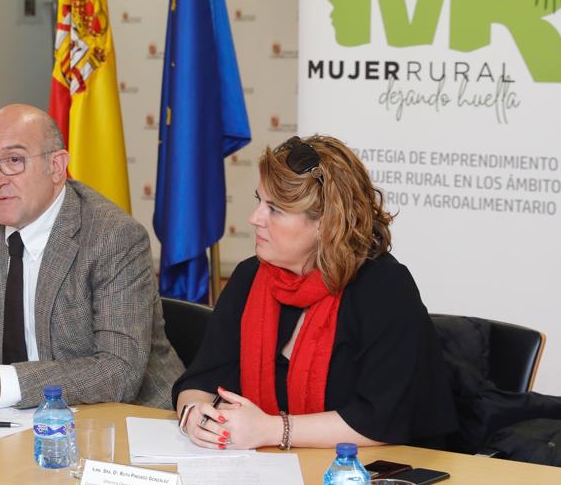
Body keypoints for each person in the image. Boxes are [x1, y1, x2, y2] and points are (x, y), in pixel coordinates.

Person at [0, 104, 183, 409]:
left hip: (127, 422)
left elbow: (119, 371)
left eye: (13, 160)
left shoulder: (112, 236)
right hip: (16, 421)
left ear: (56, 166)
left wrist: (0, 383)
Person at [174, 135, 457, 450]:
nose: (254, 218)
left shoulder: (384, 288)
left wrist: (271, 430)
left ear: (325, 224)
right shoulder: (250, 277)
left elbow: (381, 420)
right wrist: (194, 415)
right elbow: (200, 380)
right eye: (259, 201)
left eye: (275, 209)